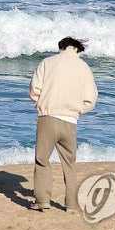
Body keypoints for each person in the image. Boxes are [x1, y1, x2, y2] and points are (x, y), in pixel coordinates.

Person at [28, 36, 98, 212]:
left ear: (62, 47)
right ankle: (71, 204)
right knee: (69, 163)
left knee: (42, 160)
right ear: (76, 49)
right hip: (70, 121)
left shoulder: (47, 62)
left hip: (48, 117)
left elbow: (34, 89)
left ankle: (42, 200)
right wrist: (77, 110)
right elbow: (90, 99)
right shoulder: (83, 67)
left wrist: (41, 104)